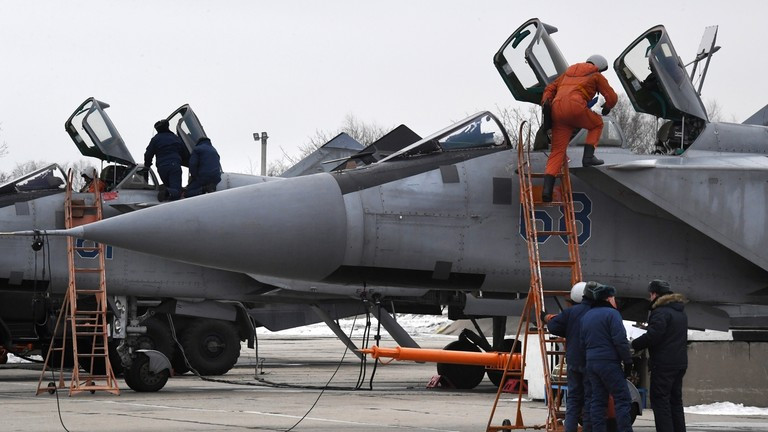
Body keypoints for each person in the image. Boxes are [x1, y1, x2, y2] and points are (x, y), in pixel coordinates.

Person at [539, 55, 618, 202]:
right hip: (575, 106)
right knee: (597, 124)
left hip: (557, 110)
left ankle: (547, 190)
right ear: (599, 66)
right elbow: (612, 97)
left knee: (557, 152)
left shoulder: (567, 73)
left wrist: (546, 103)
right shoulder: (595, 75)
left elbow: (549, 88)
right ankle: (588, 157)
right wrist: (607, 107)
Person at [631, 280, 688, 432]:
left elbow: (653, 336)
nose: (650, 298)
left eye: (650, 294)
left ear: (655, 294)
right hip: (679, 364)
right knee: (675, 402)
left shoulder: (660, 312)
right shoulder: (680, 312)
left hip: (663, 365)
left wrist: (634, 344)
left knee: (660, 402)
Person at [542, 281, 595, 432]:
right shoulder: (597, 312)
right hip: (591, 362)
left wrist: (545, 317)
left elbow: (553, 326)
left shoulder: (570, 313)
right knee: (590, 400)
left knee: (573, 400)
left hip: (574, 361)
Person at [580, 283, 633, 432]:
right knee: (622, 399)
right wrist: (628, 361)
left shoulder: (587, 316)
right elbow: (620, 340)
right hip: (609, 363)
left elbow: (582, 342)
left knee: (598, 400)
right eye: (614, 298)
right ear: (609, 298)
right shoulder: (612, 314)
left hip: (591, 363)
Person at [144, 119, 186, 201]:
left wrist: (147, 166)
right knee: (176, 191)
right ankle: (167, 192)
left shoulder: (155, 139)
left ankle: (167, 193)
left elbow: (148, 154)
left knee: (170, 189)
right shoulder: (175, 138)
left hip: (161, 168)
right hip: (174, 166)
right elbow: (184, 152)